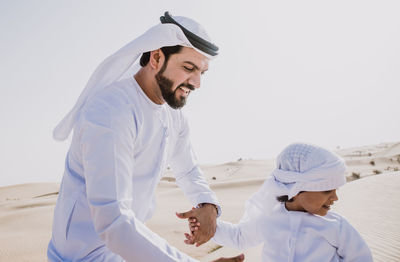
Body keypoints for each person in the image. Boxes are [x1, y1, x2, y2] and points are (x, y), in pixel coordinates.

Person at [48, 11, 243, 262]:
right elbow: (114, 222)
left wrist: (208, 204)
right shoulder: (111, 111)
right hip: (82, 256)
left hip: (129, 251)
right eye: (188, 68)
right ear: (156, 57)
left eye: (201, 73)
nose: (196, 83)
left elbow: (187, 169)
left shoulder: (174, 116)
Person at [188, 143, 373, 262]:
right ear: (295, 188)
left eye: (336, 190)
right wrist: (204, 225)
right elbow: (239, 237)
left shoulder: (336, 226)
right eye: (327, 190)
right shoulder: (269, 219)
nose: (335, 198)